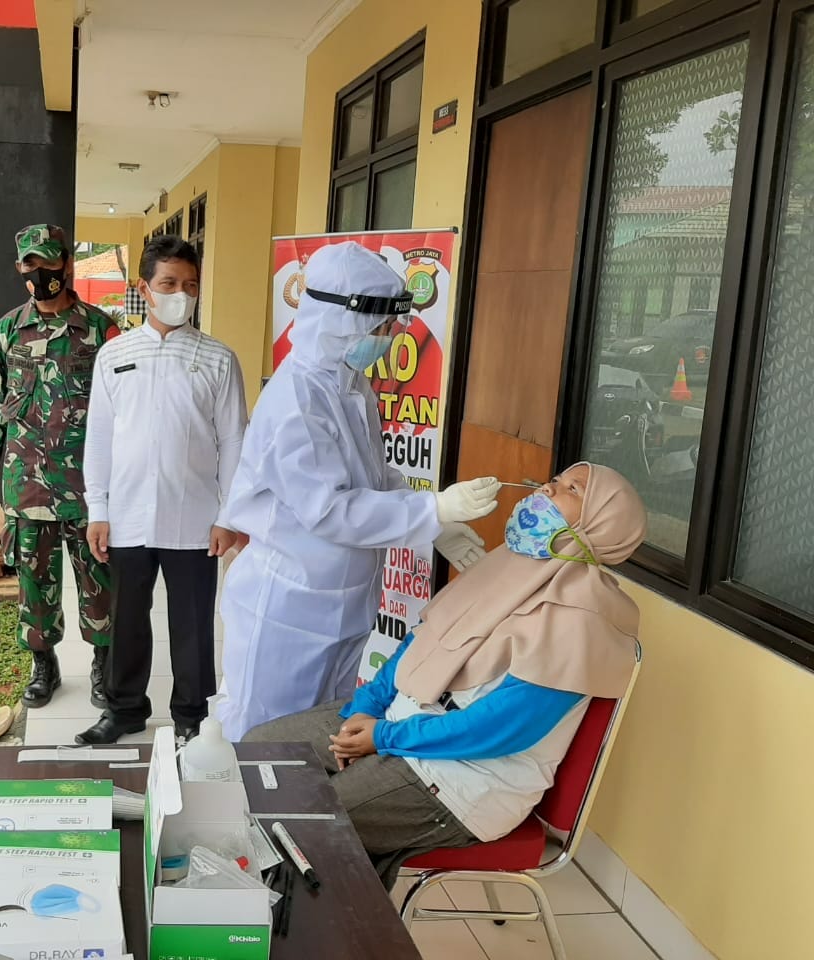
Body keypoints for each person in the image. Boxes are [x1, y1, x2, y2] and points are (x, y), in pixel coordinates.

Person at [247, 463, 646, 886]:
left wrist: (382, 738)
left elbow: (498, 730)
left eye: (572, 489)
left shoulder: (583, 621)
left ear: (600, 524)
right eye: (557, 479)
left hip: (462, 779)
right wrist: (365, 709)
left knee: (300, 825)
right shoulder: (504, 569)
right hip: (401, 720)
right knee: (257, 752)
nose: (549, 487)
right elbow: (417, 645)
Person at [215, 242, 499, 741]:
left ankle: (299, 820)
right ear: (341, 319)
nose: (389, 338)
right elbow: (331, 510)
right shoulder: (297, 399)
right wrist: (430, 510)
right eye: (382, 326)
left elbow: (375, 474)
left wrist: (435, 524)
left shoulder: (348, 383)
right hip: (290, 606)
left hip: (343, 603)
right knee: (265, 739)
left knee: (318, 734)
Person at [77, 237, 248, 746]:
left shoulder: (218, 358)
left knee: (193, 623)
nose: (181, 294)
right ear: (144, 290)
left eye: (190, 285)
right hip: (126, 514)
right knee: (126, 619)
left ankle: (192, 713)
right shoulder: (115, 354)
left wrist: (229, 514)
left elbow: (235, 440)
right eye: (169, 284)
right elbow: (100, 438)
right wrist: (98, 509)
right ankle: (125, 709)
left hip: (195, 517)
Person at [0, 224, 119, 708]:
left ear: (67, 264)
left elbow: (131, 407)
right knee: (34, 584)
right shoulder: (8, 330)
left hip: (88, 489)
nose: (41, 273)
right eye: (31, 265)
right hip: (25, 487)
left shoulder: (103, 330)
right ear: (20, 268)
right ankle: (43, 665)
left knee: (99, 580)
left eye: (49, 263)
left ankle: (103, 662)